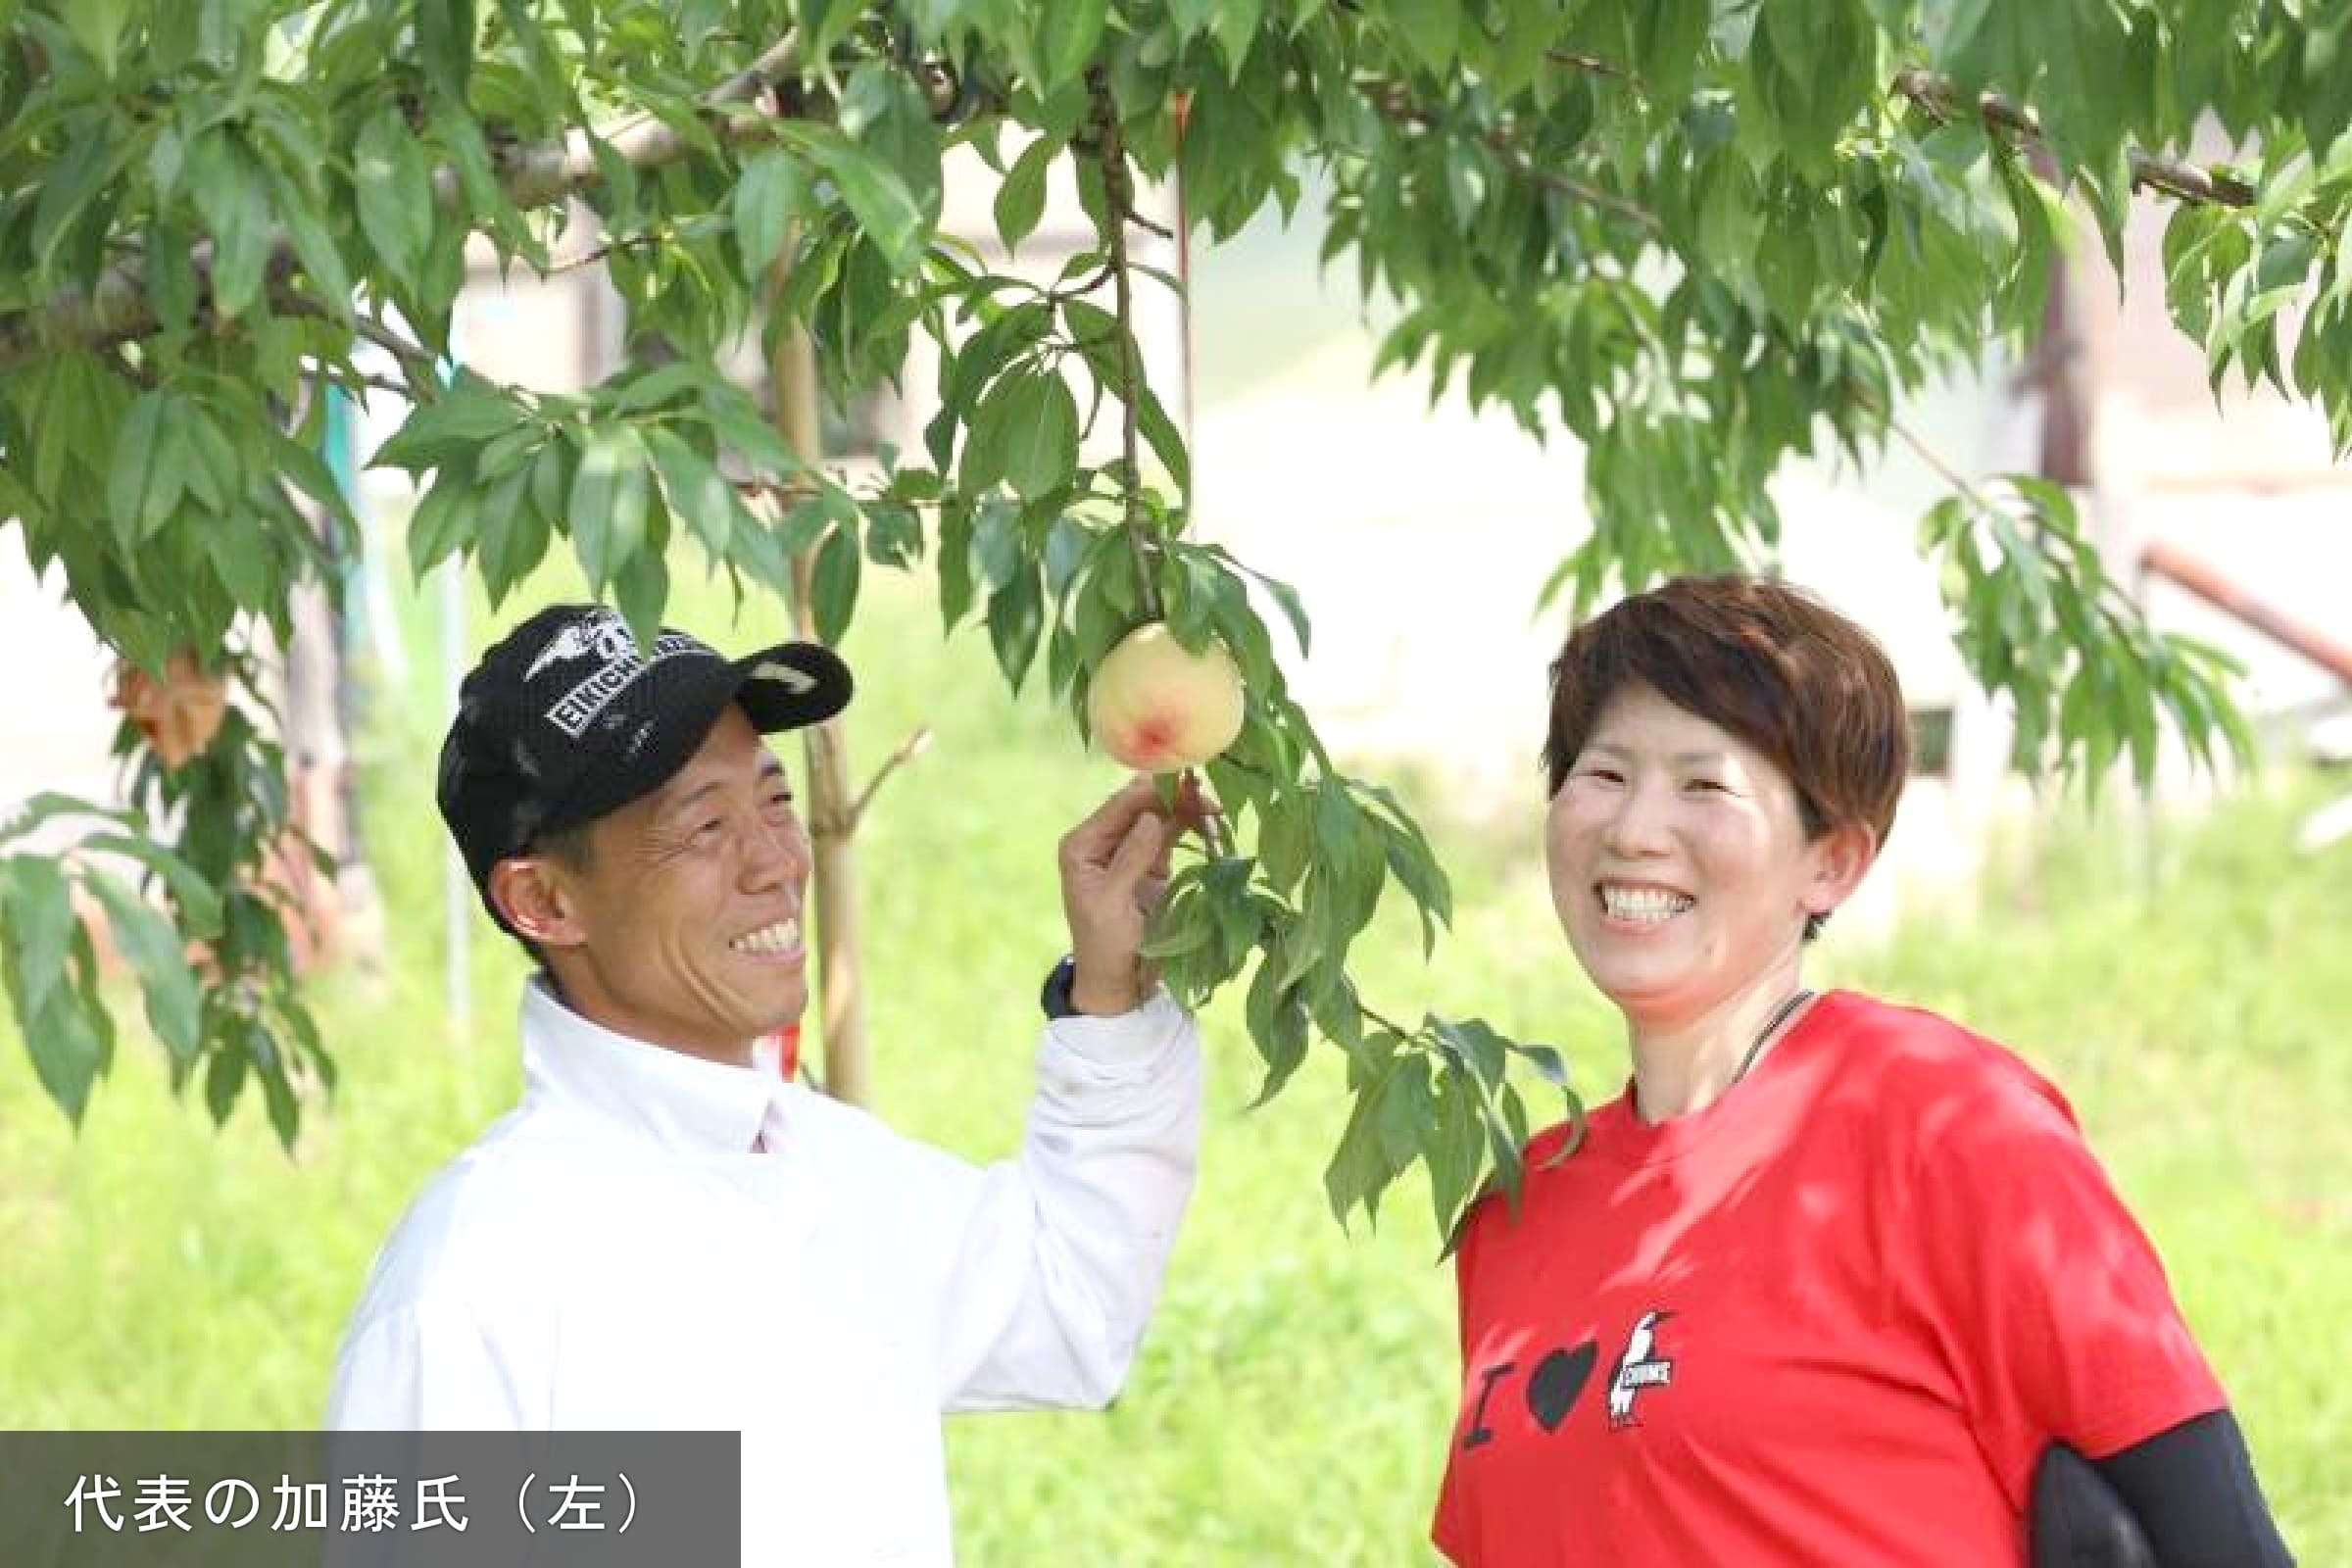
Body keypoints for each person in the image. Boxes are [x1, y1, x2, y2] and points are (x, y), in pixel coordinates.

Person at [1431, 576, 2293, 1566]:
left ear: (1831, 861)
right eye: (1605, 773)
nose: (1634, 830)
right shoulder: (1515, 1212)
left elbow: (2221, 1540)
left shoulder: (1946, 1125)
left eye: (1703, 784)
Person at [328, 604, 1208, 1565]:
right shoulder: (476, 1287)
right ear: (544, 897)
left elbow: (1070, 1300)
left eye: (776, 801)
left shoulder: (821, 1164)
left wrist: (1109, 993)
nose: (780, 861)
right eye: (705, 825)